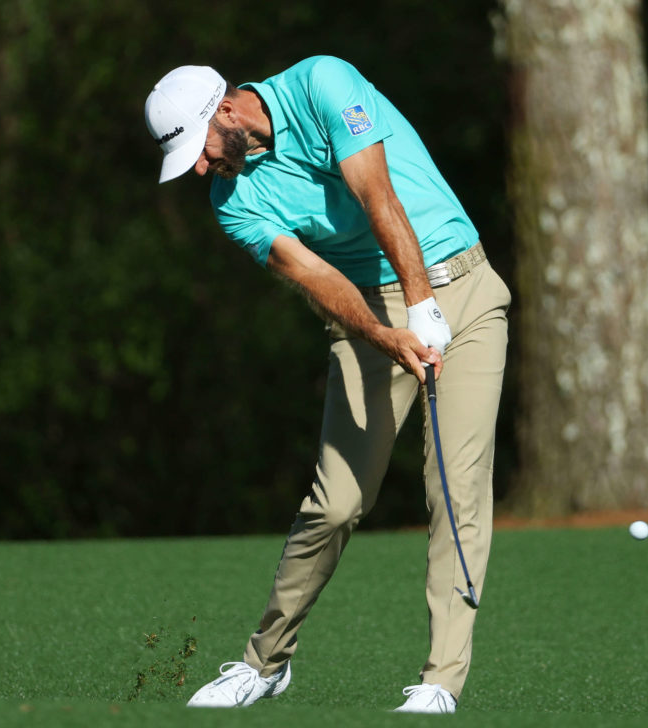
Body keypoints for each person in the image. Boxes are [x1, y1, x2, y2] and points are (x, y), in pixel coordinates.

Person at [144, 56, 510, 714]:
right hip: (370, 314)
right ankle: (265, 664)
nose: (200, 170)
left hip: (465, 288)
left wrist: (425, 303)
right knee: (336, 503)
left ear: (225, 112)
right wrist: (388, 334)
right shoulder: (233, 202)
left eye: (197, 152)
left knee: (455, 487)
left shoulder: (322, 84)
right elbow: (313, 275)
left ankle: (440, 681)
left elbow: (377, 194)